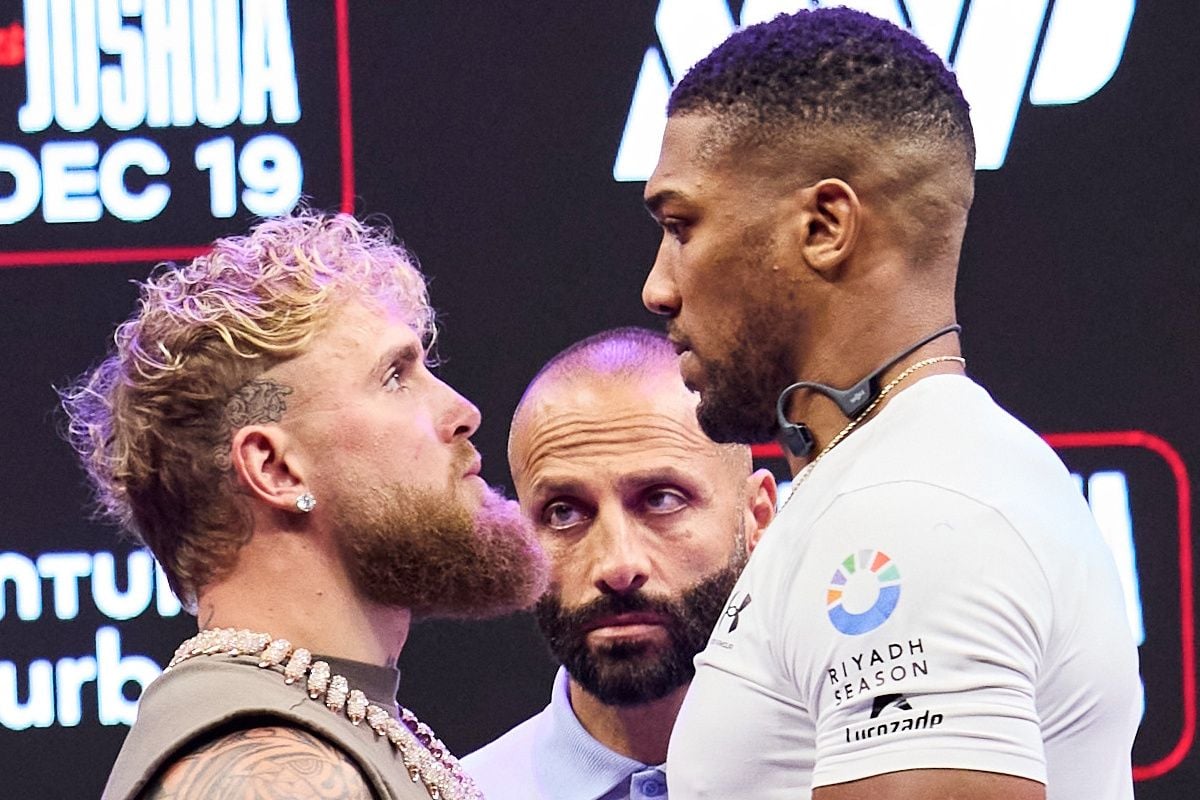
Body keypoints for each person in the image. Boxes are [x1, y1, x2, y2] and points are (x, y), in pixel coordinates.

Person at [640, 8, 1140, 800]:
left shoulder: (908, 511)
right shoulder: (904, 476)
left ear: (825, 225)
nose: (658, 287)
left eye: (681, 225)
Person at [61, 210, 549, 800]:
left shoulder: (343, 723)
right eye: (394, 377)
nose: (462, 410)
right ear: (275, 469)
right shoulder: (266, 777)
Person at [463, 327, 777, 799]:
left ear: (758, 518)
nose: (617, 565)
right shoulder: (456, 794)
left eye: (661, 500)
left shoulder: (863, 778)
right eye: (563, 512)